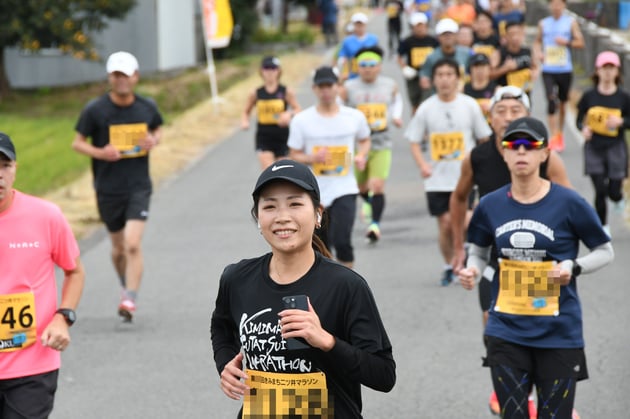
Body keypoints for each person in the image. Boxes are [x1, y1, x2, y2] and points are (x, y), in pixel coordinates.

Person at [210, 159, 395, 418]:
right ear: (258, 217)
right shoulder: (237, 278)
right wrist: (226, 363)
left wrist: (327, 342)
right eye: (270, 206)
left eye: (295, 204)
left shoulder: (346, 286)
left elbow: (384, 375)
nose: (282, 217)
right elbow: (221, 326)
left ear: (318, 213)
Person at [458, 116, 613, 419]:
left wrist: (573, 266)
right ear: (504, 153)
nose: (521, 152)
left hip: (558, 332)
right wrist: (472, 270)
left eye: (530, 145)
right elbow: (477, 250)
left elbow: (604, 251)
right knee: (513, 415)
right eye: (513, 146)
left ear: (545, 154)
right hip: (506, 330)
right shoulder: (490, 205)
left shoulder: (569, 202)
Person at [449, 86, 572, 416]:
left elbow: (570, 206)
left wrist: (566, 260)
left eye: (515, 110)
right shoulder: (477, 157)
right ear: (489, 119)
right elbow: (459, 198)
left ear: (528, 116)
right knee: (494, 321)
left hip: (541, 261)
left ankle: (553, 394)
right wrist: (460, 246)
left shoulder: (548, 157)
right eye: (500, 111)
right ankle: (509, 388)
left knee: (544, 329)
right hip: (495, 258)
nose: (507, 116)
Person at [72, 51, 163, 322]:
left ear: (135, 77)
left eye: (126, 75)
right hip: (108, 188)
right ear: (110, 77)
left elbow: (157, 130)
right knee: (118, 248)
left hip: (138, 185)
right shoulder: (95, 110)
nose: (121, 80)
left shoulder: (147, 107)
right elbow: (77, 142)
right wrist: (101, 152)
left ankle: (129, 298)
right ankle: (125, 285)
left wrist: (153, 141)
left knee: (132, 243)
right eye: (116, 75)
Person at [0, 132, 85, 418]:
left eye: (4, 166)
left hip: (32, 364)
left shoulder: (45, 216)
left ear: (15, 169)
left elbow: (74, 271)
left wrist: (63, 317)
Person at [405, 57, 492, 286]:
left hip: (466, 177)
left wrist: (482, 166)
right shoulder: (426, 108)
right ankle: (449, 264)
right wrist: (423, 165)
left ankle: (462, 253)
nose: (444, 80)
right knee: (445, 223)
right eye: (440, 75)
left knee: (464, 221)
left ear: (458, 78)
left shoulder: (469, 105)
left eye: (449, 75)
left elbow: (484, 138)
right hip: (437, 179)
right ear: (433, 80)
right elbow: (413, 140)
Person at [288, 66, 371, 268]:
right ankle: (328, 289)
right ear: (314, 89)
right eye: (321, 87)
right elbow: (294, 154)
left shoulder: (354, 117)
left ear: (337, 87)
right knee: (321, 247)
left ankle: (348, 286)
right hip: (316, 192)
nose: (326, 91)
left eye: (330, 86)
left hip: (345, 187)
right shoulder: (302, 120)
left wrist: (361, 155)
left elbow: (365, 139)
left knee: (343, 241)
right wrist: (312, 157)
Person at [341, 46, 404, 243]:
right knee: (359, 186)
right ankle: (367, 202)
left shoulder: (389, 85)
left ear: (379, 66)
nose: (367, 69)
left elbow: (397, 101)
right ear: (357, 67)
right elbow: (340, 108)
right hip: (356, 145)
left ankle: (374, 225)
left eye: (372, 65)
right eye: (363, 65)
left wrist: (395, 116)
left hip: (380, 141)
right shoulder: (349, 87)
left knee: (377, 185)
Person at [576, 50, 630, 234]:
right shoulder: (589, 96)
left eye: (611, 68)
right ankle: (603, 226)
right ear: (597, 70)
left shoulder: (624, 98)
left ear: (617, 72)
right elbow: (579, 119)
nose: (607, 72)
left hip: (616, 147)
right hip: (594, 148)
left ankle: (618, 198)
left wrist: (621, 122)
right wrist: (583, 129)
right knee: (599, 189)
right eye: (604, 68)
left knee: (613, 189)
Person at [534, 0, 584, 152]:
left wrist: (566, 42)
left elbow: (580, 43)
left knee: (562, 103)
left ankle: (560, 133)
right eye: (553, 4)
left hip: (564, 68)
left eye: (559, 4)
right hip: (548, 68)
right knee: (551, 101)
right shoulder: (543, 23)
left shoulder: (570, 22)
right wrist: (539, 54)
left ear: (564, 6)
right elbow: (537, 42)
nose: (556, 7)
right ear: (550, 6)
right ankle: (553, 135)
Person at [241, 56, 301, 170]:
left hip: (283, 136)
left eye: (273, 68)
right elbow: (246, 111)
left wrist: (289, 114)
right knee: (269, 172)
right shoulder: (256, 93)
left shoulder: (286, 91)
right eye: (266, 68)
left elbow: (298, 110)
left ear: (278, 71)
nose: (270, 71)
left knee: (283, 172)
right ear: (261, 71)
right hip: (264, 137)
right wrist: (245, 121)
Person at [397, 12, 439, 114]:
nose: (420, 28)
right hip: (413, 77)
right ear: (412, 27)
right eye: (417, 26)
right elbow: (399, 56)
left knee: (430, 101)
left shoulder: (433, 41)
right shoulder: (407, 41)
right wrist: (404, 68)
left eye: (422, 25)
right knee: (415, 103)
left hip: (430, 76)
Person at [420, 18, 472, 94]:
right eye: (444, 34)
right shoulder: (431, 57)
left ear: (456, 36)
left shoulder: (467, 53)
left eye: (450, 34)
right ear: (438, 37)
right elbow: (425, 77)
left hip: (464, 95)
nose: (448, 37)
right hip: (440, 96)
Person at [490, 21, 538, 97]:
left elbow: (535, 66)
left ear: (523, 34)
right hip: (505, 94)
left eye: (518, 34)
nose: (515, 37)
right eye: (511, 34)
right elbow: (490, 75)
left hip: (524, 92)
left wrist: (534, 73)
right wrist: (505, 68)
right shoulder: (498, 53)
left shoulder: (528, 51)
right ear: (505, 36)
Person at [337, 13, 379, 80]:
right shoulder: (347, 41)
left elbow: (377, 56)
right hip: (354, 73)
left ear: (365, 25)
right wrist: (344, 71)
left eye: (361, 25)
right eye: (357, 25)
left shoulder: (373, 39)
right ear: (353, 25)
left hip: (370, 71)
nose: (359, 27)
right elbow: (343, 57)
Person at [464, 52, 498, 121]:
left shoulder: (497, 90)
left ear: (489, 68)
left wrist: (492, 109)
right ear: (470, 69)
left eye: (483, 66)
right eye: (476, 66)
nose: (480, 70)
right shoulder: (463, 89)